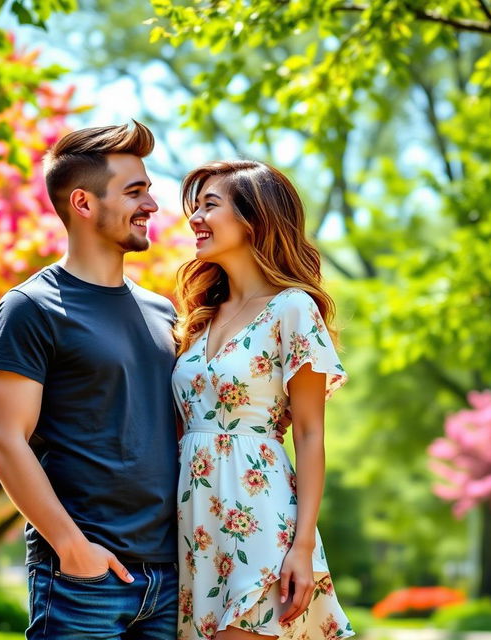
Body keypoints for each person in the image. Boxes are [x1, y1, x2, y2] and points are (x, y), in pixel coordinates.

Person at [0, 122, 181, 639]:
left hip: (170, 576)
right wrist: (72, 547)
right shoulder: (30, 308)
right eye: (135, 192)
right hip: (83, 578)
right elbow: (4, 442)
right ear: (83, 204)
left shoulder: (163, 312)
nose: (153, 205)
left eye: (149, 190)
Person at [172, 160, 355, 639]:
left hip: (261, 516)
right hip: (194, 527)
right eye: (195, 206)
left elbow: (312, 434)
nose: (195, 218)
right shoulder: (200, 318)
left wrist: (301, 546)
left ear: (255, 219)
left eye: (210, 205)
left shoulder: (292, 308)